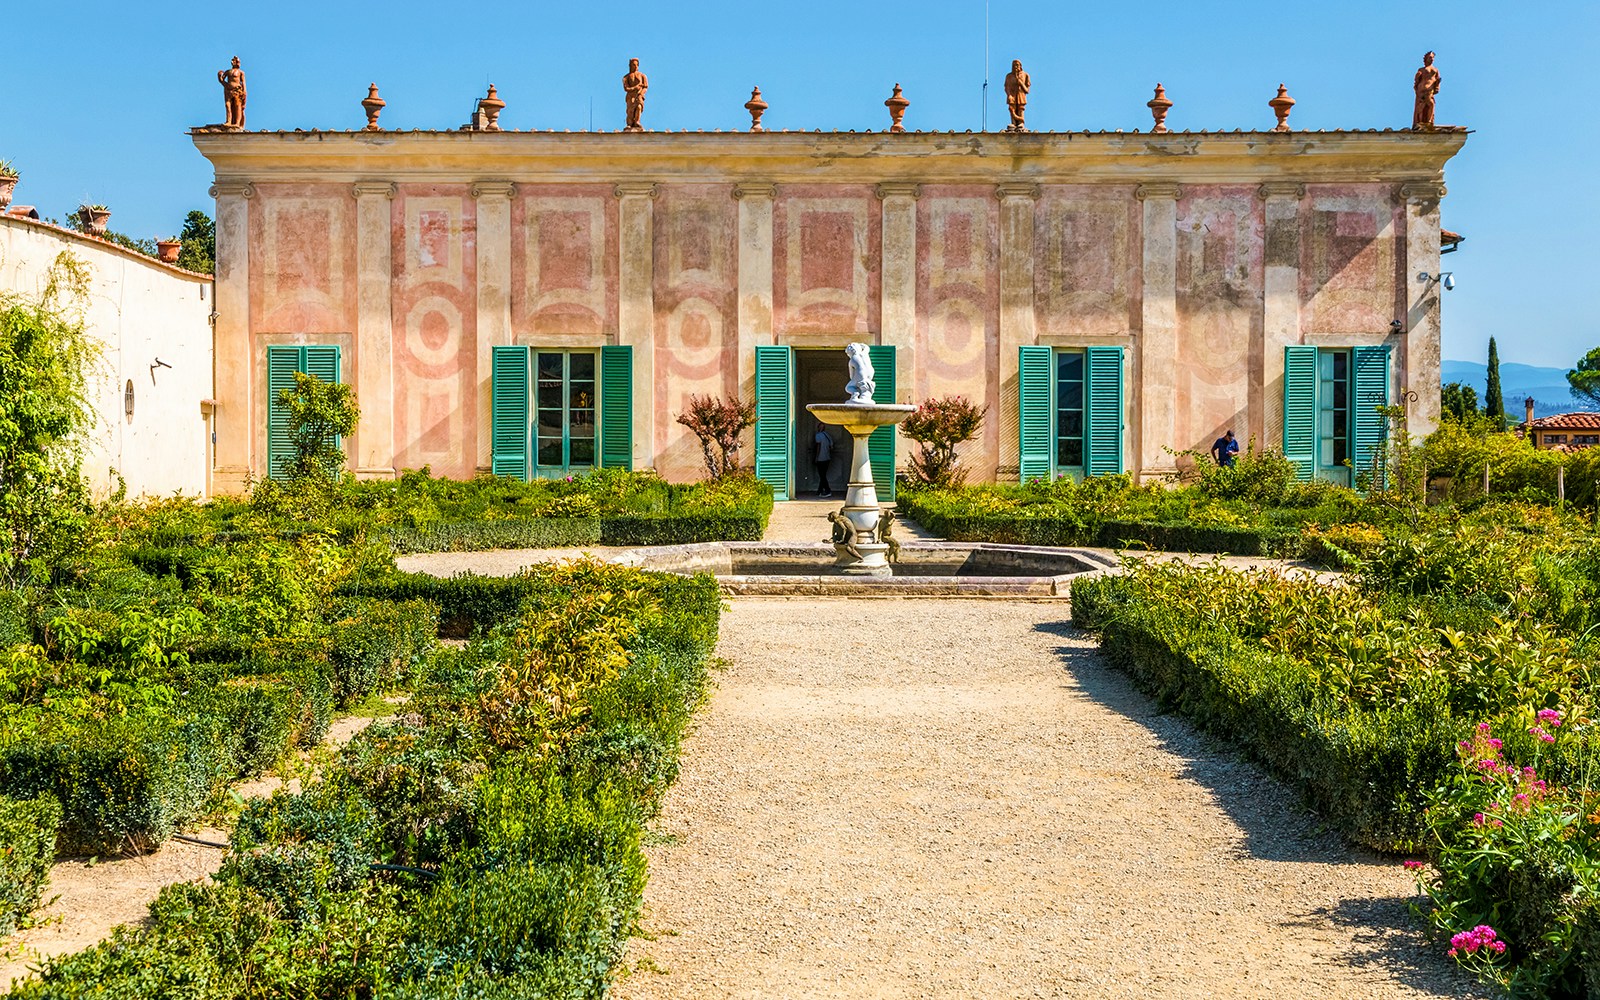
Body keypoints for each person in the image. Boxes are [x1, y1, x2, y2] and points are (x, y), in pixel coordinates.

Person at [1004, 60, 1031, 132]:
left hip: (1021, 94)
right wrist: (1009, 95)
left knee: (1020, 108)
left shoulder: (1025, 75)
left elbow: (1027, 90)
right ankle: (1013, 123)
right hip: (1012, 94)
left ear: (1020, 66)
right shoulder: (1009, 76)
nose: (1015, 67)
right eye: (1014, 65)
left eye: (1017, 65)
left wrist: (1021, 83)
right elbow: (1006, 87)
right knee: (1012, 108)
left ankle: (1021, 122)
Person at [814, 424, 834, 498]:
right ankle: (819, 490)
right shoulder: (827, 435)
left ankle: (827, 490)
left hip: (821, 458)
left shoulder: (818, 435)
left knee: (822, 475)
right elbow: (831, 446)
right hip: (827, 458)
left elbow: (818, 446)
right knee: (823, 475)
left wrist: (816, 457)